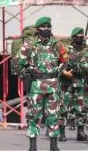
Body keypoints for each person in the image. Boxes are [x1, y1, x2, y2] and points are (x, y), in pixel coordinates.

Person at [18, 16, 68, 151]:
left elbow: (65, 60)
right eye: (43, 27)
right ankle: (33, 146)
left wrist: (58, 71)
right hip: (36, 86)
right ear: (38, 29)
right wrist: (29, 73)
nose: (46, 29)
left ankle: (54, 145)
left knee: (53, 116)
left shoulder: (57, 44)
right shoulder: (29, 44)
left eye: (48, 27)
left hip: (53, 86)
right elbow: (20, 64)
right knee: (34, 116)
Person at [58, 27, 88, 142]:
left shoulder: (86, 50)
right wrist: (65, 72)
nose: (81, 39)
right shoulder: (66, 49)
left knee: (81, 109)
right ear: (74, 38)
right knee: (64, 108)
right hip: (67, 84)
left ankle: (80, 132)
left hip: (80, 83)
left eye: (82, 37)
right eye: (79, 37)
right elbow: (58, 63)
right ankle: (61, 133)